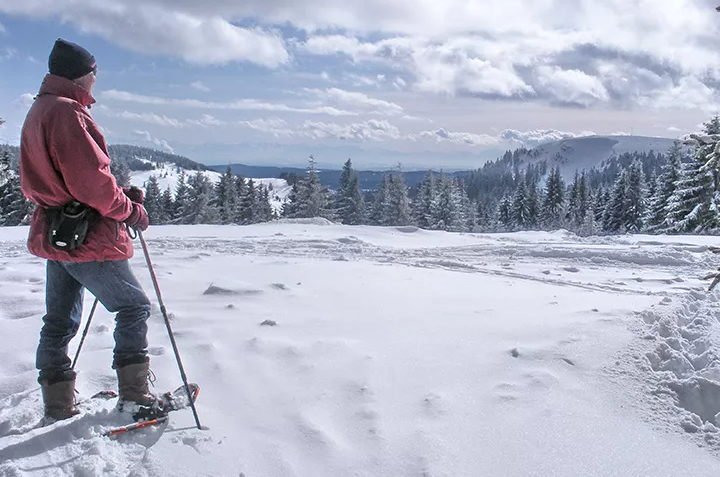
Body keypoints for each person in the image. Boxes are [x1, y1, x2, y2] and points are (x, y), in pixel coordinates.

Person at [19, 38, 156, 423]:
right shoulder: (69, 114)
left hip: (55, 231)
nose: (95, 81)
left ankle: (57, 404)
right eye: (95, 73)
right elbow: (90, 184)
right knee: (133, 306)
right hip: (85, 237)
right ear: (84, 75)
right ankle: (135, 398)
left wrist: (114, 194)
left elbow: (59, 179)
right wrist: (130, 210)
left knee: (59, 320)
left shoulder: (39, 109)